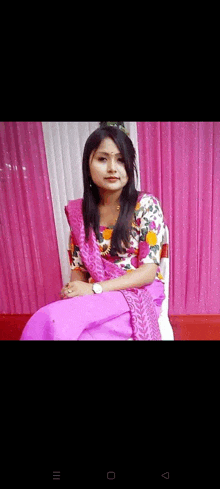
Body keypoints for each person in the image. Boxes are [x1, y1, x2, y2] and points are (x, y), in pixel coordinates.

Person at [20, 122, 166, 341]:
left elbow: (147, 273)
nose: (112, 168)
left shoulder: (145, 205)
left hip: (138, 295)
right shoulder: (81, 213)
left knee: (80, 333)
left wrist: (96, 289)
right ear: (87, 164)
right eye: (102, 159)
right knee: (48, 319)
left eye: (120, 159)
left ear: (130, 165)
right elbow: (78, 268)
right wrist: (74, 292)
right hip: (98, 298)